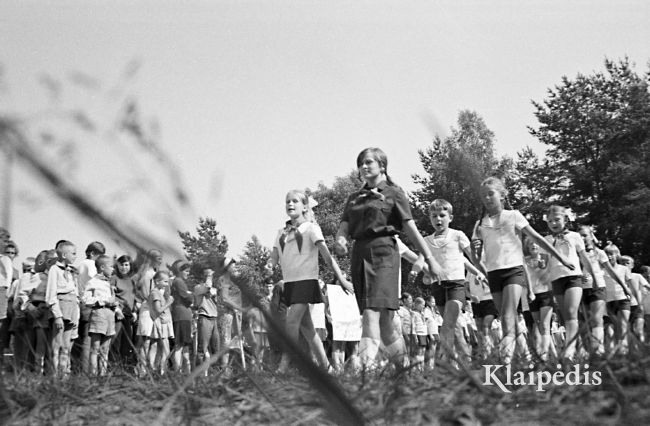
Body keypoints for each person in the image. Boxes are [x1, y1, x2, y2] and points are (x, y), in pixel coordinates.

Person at [335, 148, 441, 369]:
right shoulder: (354, 198)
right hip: (359, 255)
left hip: (384, 254)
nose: (364, 167)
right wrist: (341, 240)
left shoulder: (394, 193)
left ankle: (364, 372)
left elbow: (410, 229)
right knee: (384, 323)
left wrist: (429, 259)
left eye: (369, 162)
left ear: (382, 165)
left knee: (371, 314)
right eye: (361, 163)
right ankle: (405, 369)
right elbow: (344, 226)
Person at [471, 177, 574, 364]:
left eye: (490, 194)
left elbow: (537, 238)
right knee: (506, 317)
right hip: (494, 273)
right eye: (482, 196)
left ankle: (506, 362)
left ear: (502, 195)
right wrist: (474, 250)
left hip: (513, 270)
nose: (486, 198)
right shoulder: (480, 224)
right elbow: (476, 261)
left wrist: (561, 258)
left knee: (508, 314)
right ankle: (527, 357)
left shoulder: (514, 215)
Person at [268, 189, 353, 373]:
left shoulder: (311, 229)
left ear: (304, 206)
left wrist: (342, 280)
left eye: (295, 201)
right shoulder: (281, 232)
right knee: (308, 329)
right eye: (287, 201)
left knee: (291, 322)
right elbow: (274, 256)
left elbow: (327, 257)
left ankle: (285, 364)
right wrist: (269, 265)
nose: (290, 204)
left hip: (306, 281)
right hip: (290, 283)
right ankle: (327, 368)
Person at [423, 199, 484, 363]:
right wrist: (425, 273)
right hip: (438, 286)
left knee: (448, 324)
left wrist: (482, 271)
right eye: (434, 216)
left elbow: (471, 256)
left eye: (442, 215)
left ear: (450, 217)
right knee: (455, 329)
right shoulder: (426, 240)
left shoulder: (457, 235)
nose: (438, 219)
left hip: (456, 285)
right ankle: (466, 363)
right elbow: (424, 262)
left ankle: (441, 367)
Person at [543, 205, 595, 362]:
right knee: (567, 316)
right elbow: (544, 264)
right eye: (550, 221)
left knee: (572, 312)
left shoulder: (574, 236)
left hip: (573, 277)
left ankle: (568, 351)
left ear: (565, 219)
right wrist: (539, 264)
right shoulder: (546, 240)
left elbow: (584, 257)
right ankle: (580, 349)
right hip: (556, 279)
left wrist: (592, 276)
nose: (553, 223)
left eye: (557, 219)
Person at [578, 226, 614, 355]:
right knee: (587, 320)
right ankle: (591, 351)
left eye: (585, 235)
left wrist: (624, 286)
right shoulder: (577, 253)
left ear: (591, 235)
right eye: (580, 236)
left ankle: (599, 350)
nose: (583, 238)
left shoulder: (599, 253)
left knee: (597, 319)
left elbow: (610, 270)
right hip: (582, 289)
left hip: (598, 287)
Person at [45, 241, 79, 376]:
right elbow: (51, 294)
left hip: (71, 307)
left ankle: (63, 373)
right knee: (56, 344)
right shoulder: (55, 269)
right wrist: (57, 315)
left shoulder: (71, 271)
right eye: (74, 253)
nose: (76, 256)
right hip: (61, 307)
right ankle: (53, 373)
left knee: (66, 344)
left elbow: (74, 293)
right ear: (64, 255)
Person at [83, 255, 120, 376]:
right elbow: (86, 299)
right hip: (99, 314)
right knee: (95, 347)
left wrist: (115, 306)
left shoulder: (108, 283)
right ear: (102, 267)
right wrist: (104, 301)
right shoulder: (93, 282)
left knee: (105, 348)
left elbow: (112, 299)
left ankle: (102, 374)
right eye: (111, 266)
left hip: (109, 315)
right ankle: (93, 374)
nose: (113, 269)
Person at [74, 241, 106, 373]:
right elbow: (97, 279)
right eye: (100, 256)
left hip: (81, 302)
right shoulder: (90, 264)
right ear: (93, 253)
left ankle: (80, 367)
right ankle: (86, 370)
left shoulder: (81, 264)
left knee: (82, 337)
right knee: (89, 339)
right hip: (90, 303)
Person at [523, 238, 553, 361]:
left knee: (545, 326)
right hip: (532, 296)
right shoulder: (525, 261)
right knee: (539, 326)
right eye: (530, 244)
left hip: (546, 293)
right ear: (527, 247)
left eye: (535, 243)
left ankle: (543, 356)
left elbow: (553, 272)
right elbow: (522, 277)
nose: (533, 245)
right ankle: (554, 356)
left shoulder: (547, 257)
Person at [134, 249, 162, 376]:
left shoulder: (156, 274)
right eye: (157, 258)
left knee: (154, 341)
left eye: (161, 258)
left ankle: (149, 368)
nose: (160, 261)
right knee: (145, 341)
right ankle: (141, 369)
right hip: (148, 309)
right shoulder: (148, 274)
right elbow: (146, 294)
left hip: (155, 310)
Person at [602, 244, 632, 354]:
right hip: (608, 302)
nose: (609, 257)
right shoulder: (602, 270)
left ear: (617, 255)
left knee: (622, 327)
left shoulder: (624, 269)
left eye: (611, 254)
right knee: (609, 330)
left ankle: (623, 353)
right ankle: (610, 355)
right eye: (606, 254)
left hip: (623, 300)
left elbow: (630, 284)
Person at [110, 254, 138, 365]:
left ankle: (124, 366)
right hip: (118, 312)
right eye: (122, 264)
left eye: (127, 265)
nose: (124, 267)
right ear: (117, 265)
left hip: (128, 313)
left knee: (127, 341)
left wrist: (135, 311)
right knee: (115, 340)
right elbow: (111, 295)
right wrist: (116, 309)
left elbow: (134, 297)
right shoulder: (114, 278)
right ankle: (112, 366)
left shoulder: (132, 281)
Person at [194, 268, 220, 373]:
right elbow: (207, 287)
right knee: (202, 349)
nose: (211, 277)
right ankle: (198, 375)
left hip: (214, 318)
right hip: (204, 317)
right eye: (209, 275)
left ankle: (215, 374)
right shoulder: (198, 288)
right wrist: (209, 276)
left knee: (216, 348)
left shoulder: (214, 289)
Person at [170, 259, 194, 374]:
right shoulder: (179, 282)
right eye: (186, 271)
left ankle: (186, 371)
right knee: (179, 344)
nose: (188, 274)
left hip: (184, 316)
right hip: (181, 316)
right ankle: (178, 371)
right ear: (179, 271)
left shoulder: (179, 281)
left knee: (184, 345)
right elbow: (186, 297)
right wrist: (192, 298)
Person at [148, 270, 174, 375]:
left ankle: (155, 368)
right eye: (165, 282)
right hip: (160, 323)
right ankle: (161, 370)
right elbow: (158, 310)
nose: (166, 284)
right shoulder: (155, 293)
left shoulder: (159, 292)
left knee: (157, 347)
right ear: (157, 281)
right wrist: (168, 303)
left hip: (163, 323)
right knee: (165, 348)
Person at [620, 256, 646, 345]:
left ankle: (642, 349)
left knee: (639, 330)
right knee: (627, 332)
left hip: (637, 306)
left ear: (632, 265)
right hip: (622, 306)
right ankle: (631, 353)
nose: (624, 264)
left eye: (627, 262)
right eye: (622, 262)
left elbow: (647, 286)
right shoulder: (616, 277)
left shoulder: (637, 276)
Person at [411, 297, 428, 370]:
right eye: (422, 305)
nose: (423, 306)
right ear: (417, 304)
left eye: (424, 305)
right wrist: (415, 336)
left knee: (423, 351)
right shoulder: (413, 313)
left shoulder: (422, 313)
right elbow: (413, 325)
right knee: (418, 352)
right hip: (418, 334)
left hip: (424, 334)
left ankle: (422, 367)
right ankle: (417, 368)